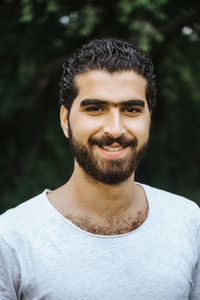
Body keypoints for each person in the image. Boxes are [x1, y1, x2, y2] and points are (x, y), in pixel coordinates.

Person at [0, 38, 199, 300]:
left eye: (130, 109)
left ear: (148, 119)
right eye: (95, 109)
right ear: (65, 120)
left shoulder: (188, 221)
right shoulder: (11, 239)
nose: (115, 129)